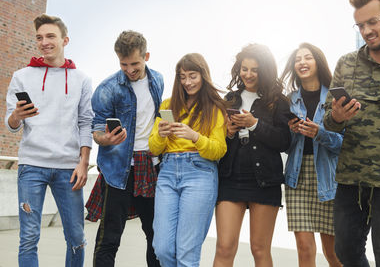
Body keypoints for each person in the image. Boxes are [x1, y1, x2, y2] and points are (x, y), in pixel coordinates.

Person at [4, 14, 93, 266]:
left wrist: (84, 162)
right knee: (29, 237)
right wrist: (16, 116)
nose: (44, 42)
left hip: (69, 169)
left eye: (50, 36)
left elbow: (85, 122)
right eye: (39, 37)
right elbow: (10, 125)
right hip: (32, 166)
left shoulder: (81, 79)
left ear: (65, 40)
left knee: (76, 236)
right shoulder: (21, 76)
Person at [323, 0, 380, 265]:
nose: (366, 31)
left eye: (372, 22)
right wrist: (336, 116)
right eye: (359, 26)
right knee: (344, 251)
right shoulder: (346, 63)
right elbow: (327, 120)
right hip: (350, 180)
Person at [87, 30, 163, 267]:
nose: (129, 69)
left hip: (151, 166)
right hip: (118, 170)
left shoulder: (158, 80)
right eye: (123, 64)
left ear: (146, 56)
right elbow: (97, 129)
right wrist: (105, 139)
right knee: (109, 237)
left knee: (155, 237)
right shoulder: (107, 88)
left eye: (135, 64)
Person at [213, 44, 291, 267]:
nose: (248, 74)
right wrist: (228, 133)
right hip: (230, 178)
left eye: (254, 69)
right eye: (244, 69)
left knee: (259, 248)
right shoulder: (229, 99)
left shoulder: (278, 101)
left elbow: (285, 142)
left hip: (265, 181)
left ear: (264, 70)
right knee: (225, 247)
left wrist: (255, 124)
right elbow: (218, 142)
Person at [149, 53, 227, 267]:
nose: (187, 82)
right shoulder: (168, 104)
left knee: (186, 253)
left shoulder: (215, 108)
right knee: (162, 249)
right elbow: (154, 148)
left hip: (200, 173)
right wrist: (161, 134)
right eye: (182, 77)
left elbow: (218, 150)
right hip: (167, 172)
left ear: (203, 76)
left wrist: (194, 136)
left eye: (192, 76)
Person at [281, 43, 343, 267]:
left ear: (318, 62)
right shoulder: (289, 100)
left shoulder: (334, 99)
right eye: (298, 59)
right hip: (297, 178)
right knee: (305, 249)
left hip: (329, 176)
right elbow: (285, 147)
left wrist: (320, 133)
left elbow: (345, 144)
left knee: (333, 252)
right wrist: (290, 131)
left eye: (308, 57)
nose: (302, 62)